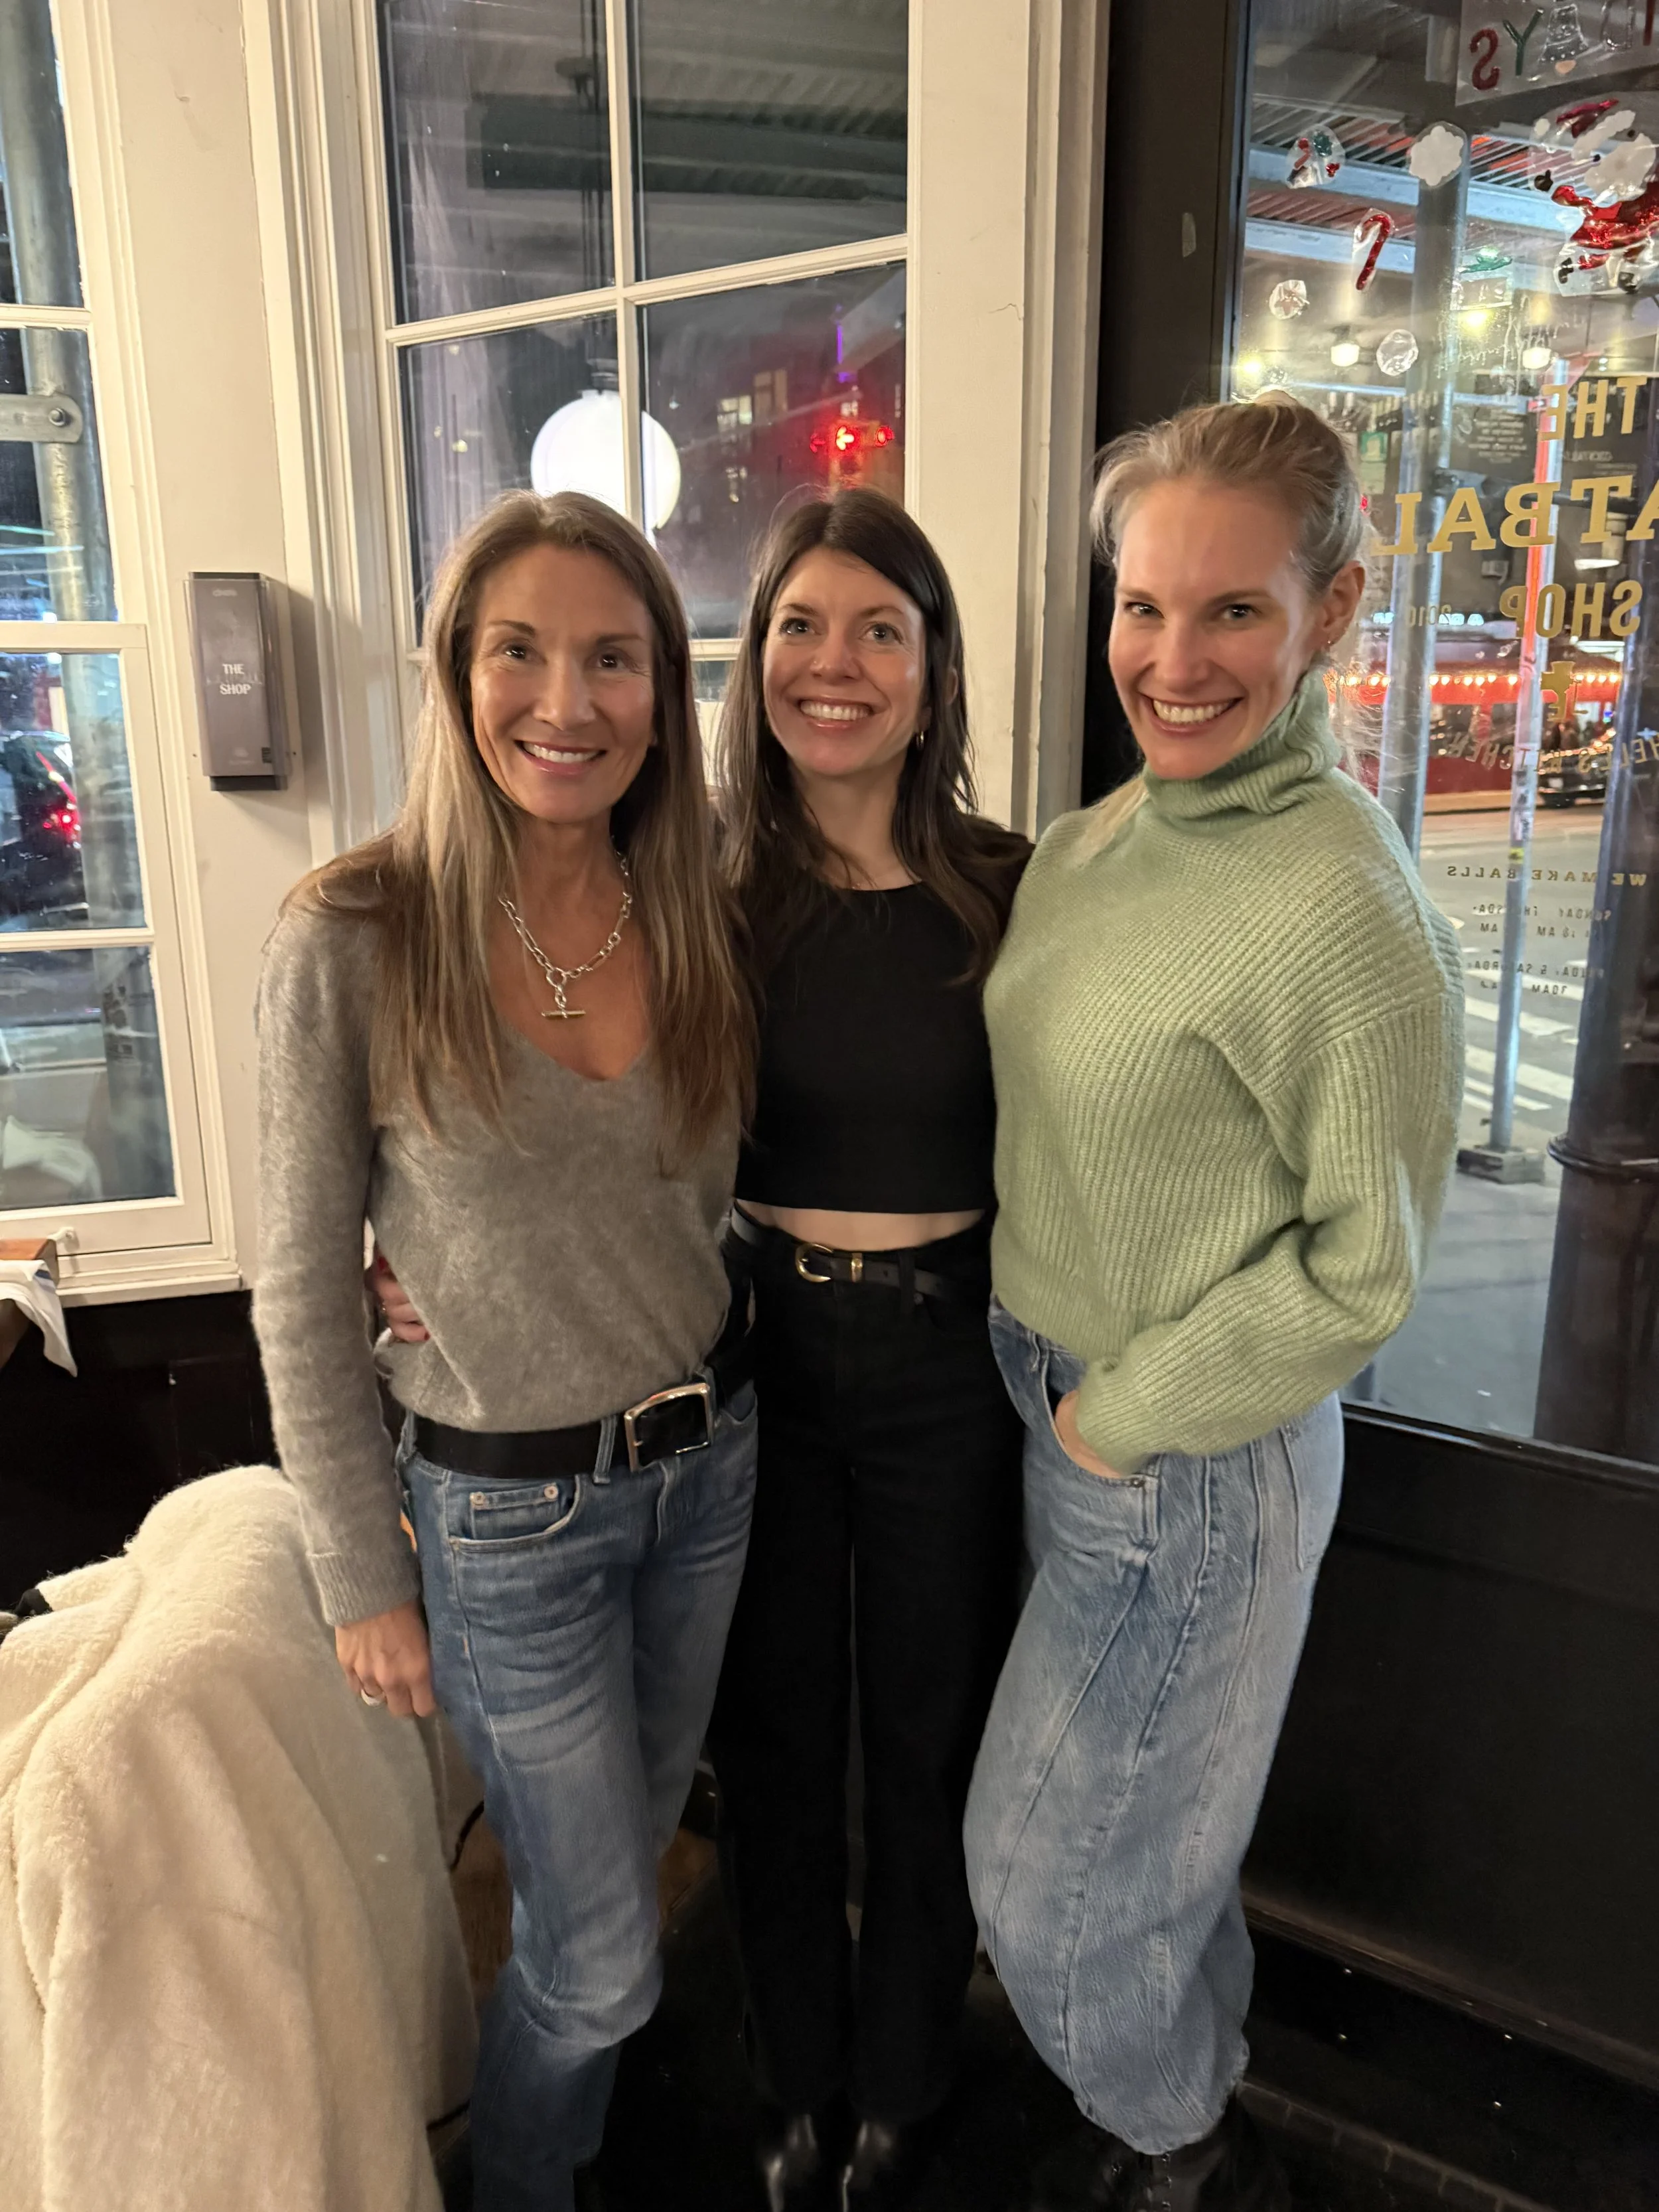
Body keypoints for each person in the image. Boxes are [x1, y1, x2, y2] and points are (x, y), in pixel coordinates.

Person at [965, 399, 1464, 2212]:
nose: (1171, 662)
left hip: (1186, 1459)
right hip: (1069, 1410)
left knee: (1040, 1886)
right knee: (1148, 1862)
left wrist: (1118, 1420)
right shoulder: (1104, 838)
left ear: (1331, 610)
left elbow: (1364, 1265)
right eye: (1142, 607)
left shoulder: (1341, 905)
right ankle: (1178, 2095)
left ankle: (1184, 2149)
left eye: (1232, 611)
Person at [253, 490, 756, 2212]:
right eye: (519, 651)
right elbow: (297, 1282)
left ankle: (576, 2153)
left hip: (706, 1480)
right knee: (603, 1957)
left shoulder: (696, 912)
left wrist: (475, 1267)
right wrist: (359, 1572)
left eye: (613, 657)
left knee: (623, 1898)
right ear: (456, 672)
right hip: (500, 1526)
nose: (566, 700)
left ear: (662, 687)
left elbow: (707, 1209)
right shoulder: (354, 936)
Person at [708, 489, 1029, 2212]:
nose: (833, 665)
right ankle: (793, 2078)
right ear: (755, 654)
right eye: (800, 625)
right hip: (754, 1350)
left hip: (947, 1364)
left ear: (932, 665)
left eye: (878, 629)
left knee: (929, 1734)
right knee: (771, 1743)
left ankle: (904, 2074)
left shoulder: (1013, 890)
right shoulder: (698, 888)